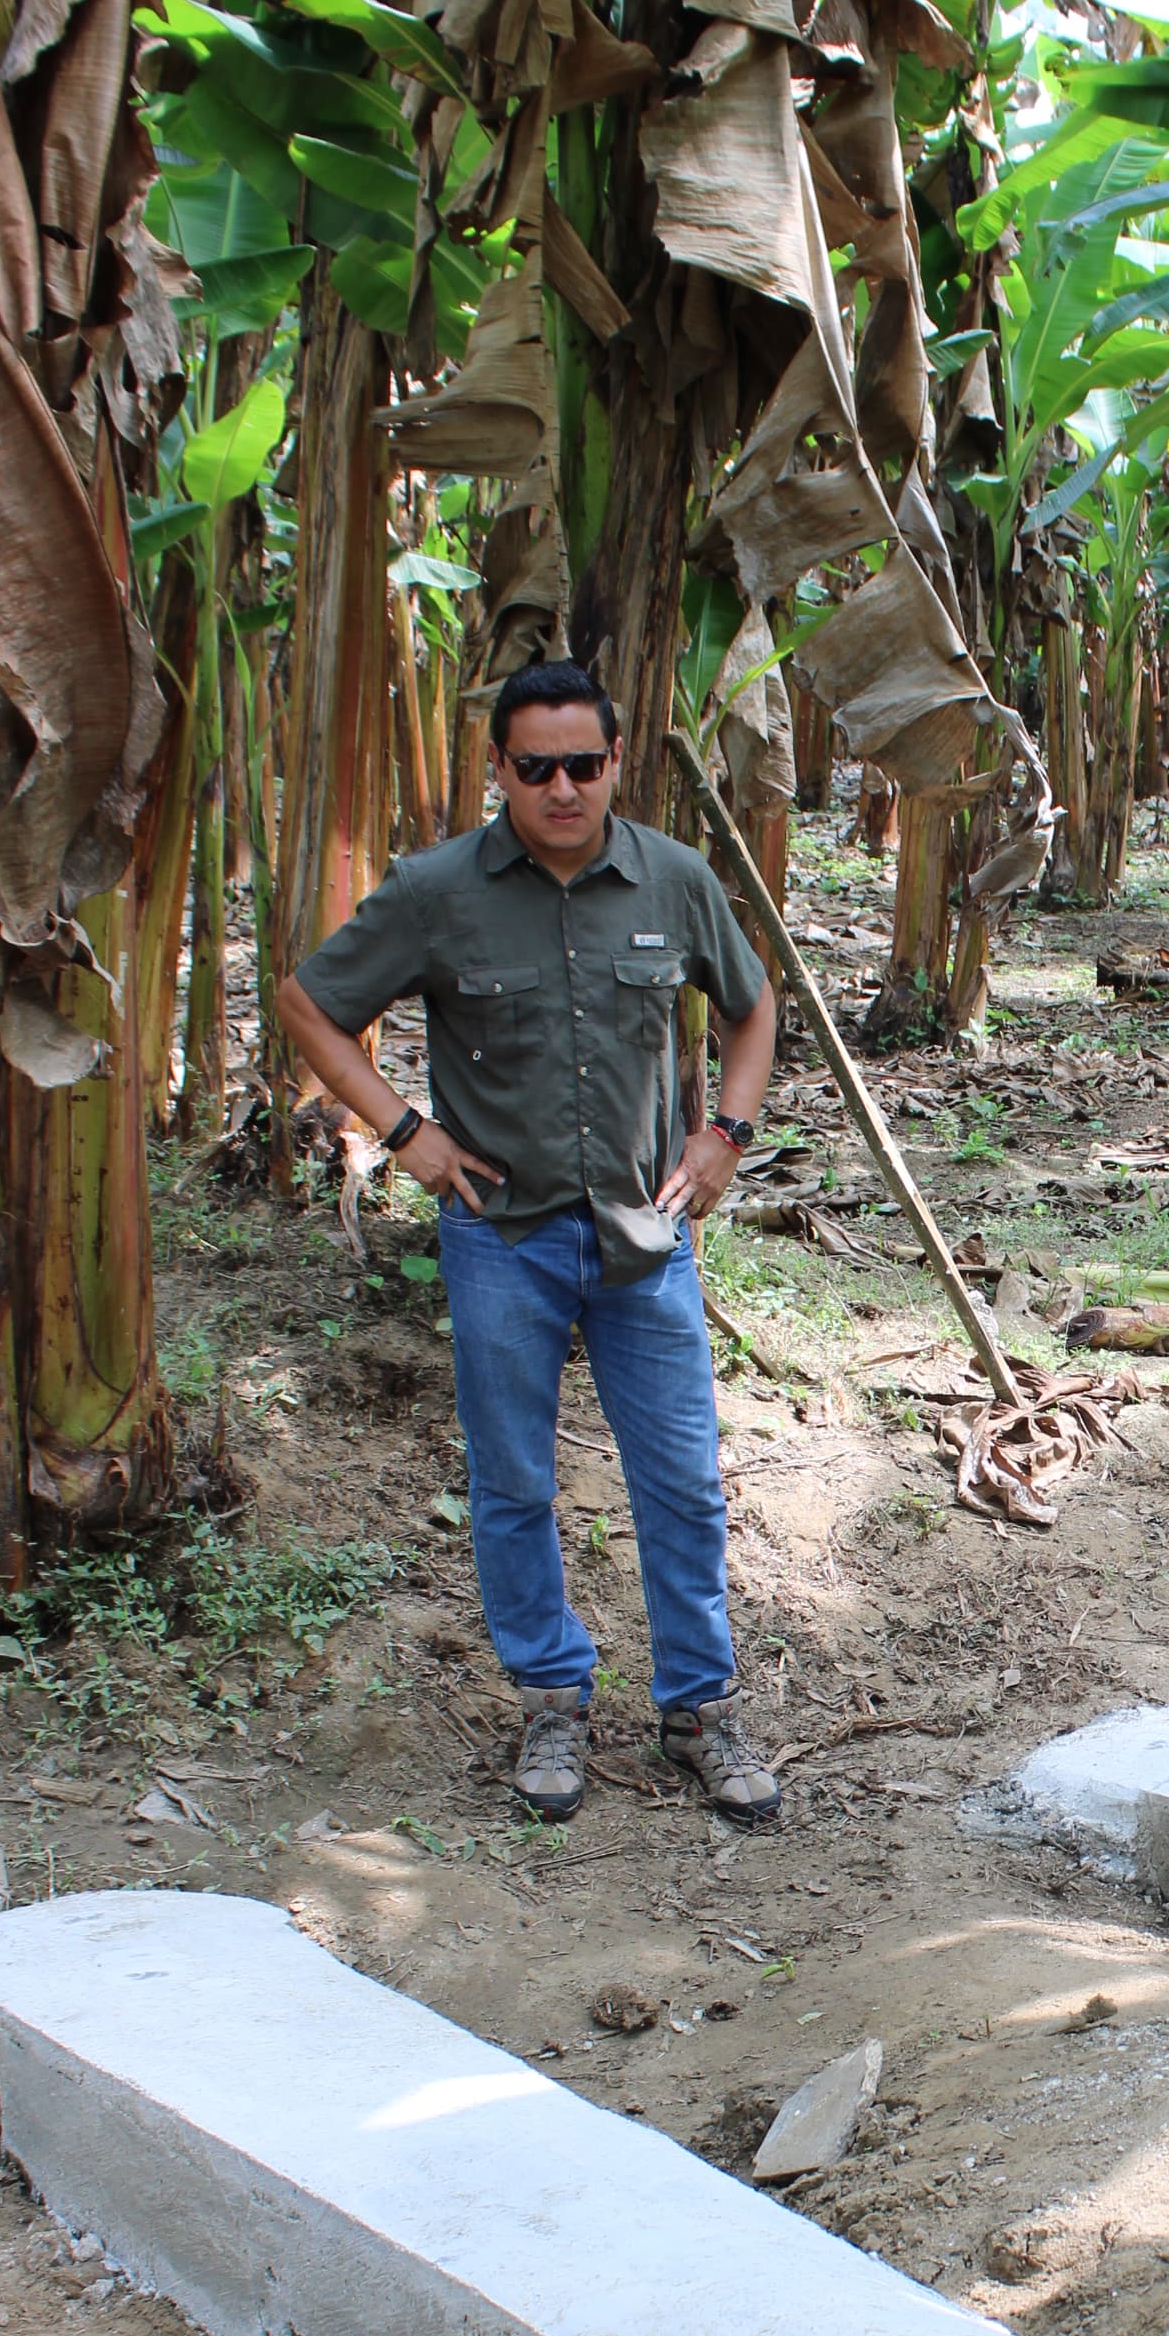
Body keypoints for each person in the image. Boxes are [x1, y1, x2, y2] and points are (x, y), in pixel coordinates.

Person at [278, 659, 782, 1830]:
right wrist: (406, 1133)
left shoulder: (673, 878)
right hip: (501, 1237)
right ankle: (551, 1699)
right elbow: (311, 1004)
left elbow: (752, 1006)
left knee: (682, 1483)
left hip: (645, 1237)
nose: (563, 788)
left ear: (616, 763)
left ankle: (699, 1711)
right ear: (498, 768)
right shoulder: (438, 890)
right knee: (511, 1482)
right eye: (537, 767)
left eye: (584, 765)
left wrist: (725, 1135)